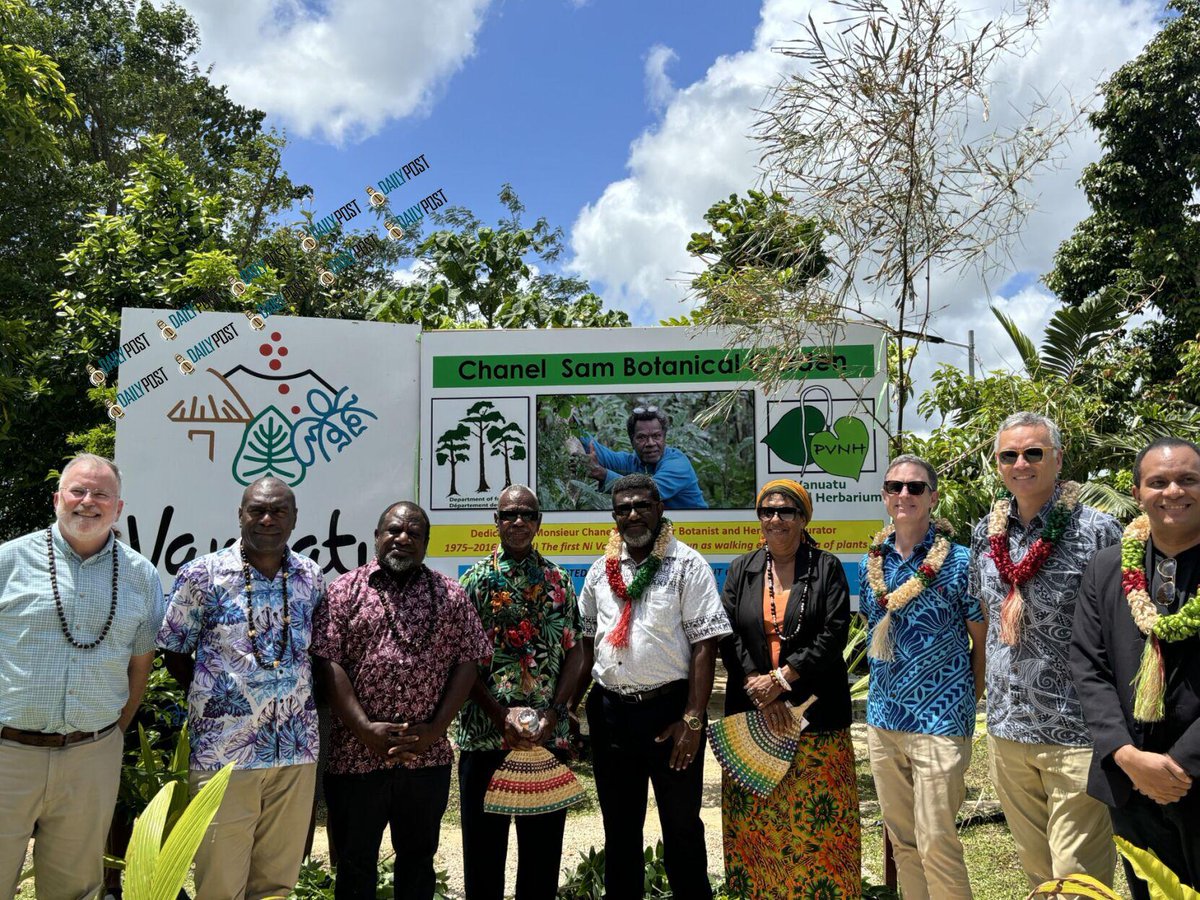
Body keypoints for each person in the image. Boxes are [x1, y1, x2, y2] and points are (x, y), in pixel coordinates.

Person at [0, 454, 163, 900]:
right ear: (57, 499)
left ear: (119, 508)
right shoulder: (8, 561)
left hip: (91, 756)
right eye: (78, 491)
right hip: (7, 753)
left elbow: (140, 666)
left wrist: (109, 736)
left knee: (75, 890)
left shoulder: (141, 576)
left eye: (101, 494)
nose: (88, 501)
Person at [969, 411, 1121, 888]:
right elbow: (986, 618)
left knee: (1078, 877)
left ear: (1057, 458)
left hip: (1077, 729)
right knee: (1038, 874)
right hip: (1008, 727)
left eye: (1033, 452)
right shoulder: (986, 532)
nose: (1021, 464)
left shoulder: (1098, 530)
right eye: (1009, 455)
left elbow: (1121, 629)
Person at [312, 501, 490, 900]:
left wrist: (436, 729)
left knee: (418, 862)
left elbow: (468, 662)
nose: (403, 538)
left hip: (424, 758)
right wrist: (364, 729)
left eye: (414, 533)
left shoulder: (450, 595)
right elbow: (327, 663)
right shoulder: (344, 591)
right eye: (394, 530)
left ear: (426, 543)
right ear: (377, 536)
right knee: (354, 864)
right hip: (355, 757)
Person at [158, 476, 325, 900]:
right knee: (220, 882)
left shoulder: (310, 576)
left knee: (276, 883)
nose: (267, 519)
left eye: (278, 511)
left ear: (294, 519)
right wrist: (219, 698)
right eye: (257, 510)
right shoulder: (202, 575)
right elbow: (174, 651)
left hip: (295, 751)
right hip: (224, 754)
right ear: (240, 515)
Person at [578, 473, 729, 899]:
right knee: (620, 829)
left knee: (681, 827)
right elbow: (586, 641)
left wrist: (693, 719)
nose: (633, 514)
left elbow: (705, 645)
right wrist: (567, 706)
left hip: (670, 715)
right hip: (611, 716)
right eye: (623, 508)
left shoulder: (688, 565)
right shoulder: (600, 570)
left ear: (660, 509)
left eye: (642, 505)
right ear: (614, 516)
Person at [719, 478, 861, 898]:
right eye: (768, 511)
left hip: (816, 718)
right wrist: (759, 687)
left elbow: (834, 633)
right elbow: (728, 634)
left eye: (786, 511)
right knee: (758, 825)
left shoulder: (826, 567)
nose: (776, 519)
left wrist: (781, 681)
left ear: (803, 519)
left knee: (819, 829)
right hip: (754, 716)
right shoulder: (742, 569)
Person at [1071, 437, 1200, 898]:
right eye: (1158, 482)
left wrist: (1180, 764)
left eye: (1188, 480)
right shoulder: (1107, 567)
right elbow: (1088, 664)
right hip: (1129, 782)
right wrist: (1126, 756)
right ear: (1138, 492)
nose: (1173, 491)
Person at [860, 457, 985, 900]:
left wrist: (967, 701)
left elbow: (981, 641)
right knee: (904, 843)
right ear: (884, 495)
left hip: (941, 719)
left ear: (933, 497)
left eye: (915, 487)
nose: (904, 494)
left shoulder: (959, 561)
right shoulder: (871, 562)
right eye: (894, 486)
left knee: (936, 841)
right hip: (883, 719)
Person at [455, 484, 586, 900]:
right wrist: (500, 716)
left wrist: (555, 712)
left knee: (541, 857)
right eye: (509, 514)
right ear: (495, 521)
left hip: (545, 738)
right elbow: (462, 662)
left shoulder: (558, 581)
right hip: (486, 736)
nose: (518, 521)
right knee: (483, 855)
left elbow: (576, 651)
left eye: (527, 514)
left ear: (538, 522)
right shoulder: (474, 581)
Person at [583, 405, 708, 509]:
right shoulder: (632, 462)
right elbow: (596, 450)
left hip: (696, 528)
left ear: (664, 438)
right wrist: (573, 424)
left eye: (656, 436)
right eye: (642, 437)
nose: (650, 443)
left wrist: (602, 474)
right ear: (632, 441)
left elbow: (649, 492)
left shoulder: (677, 463)